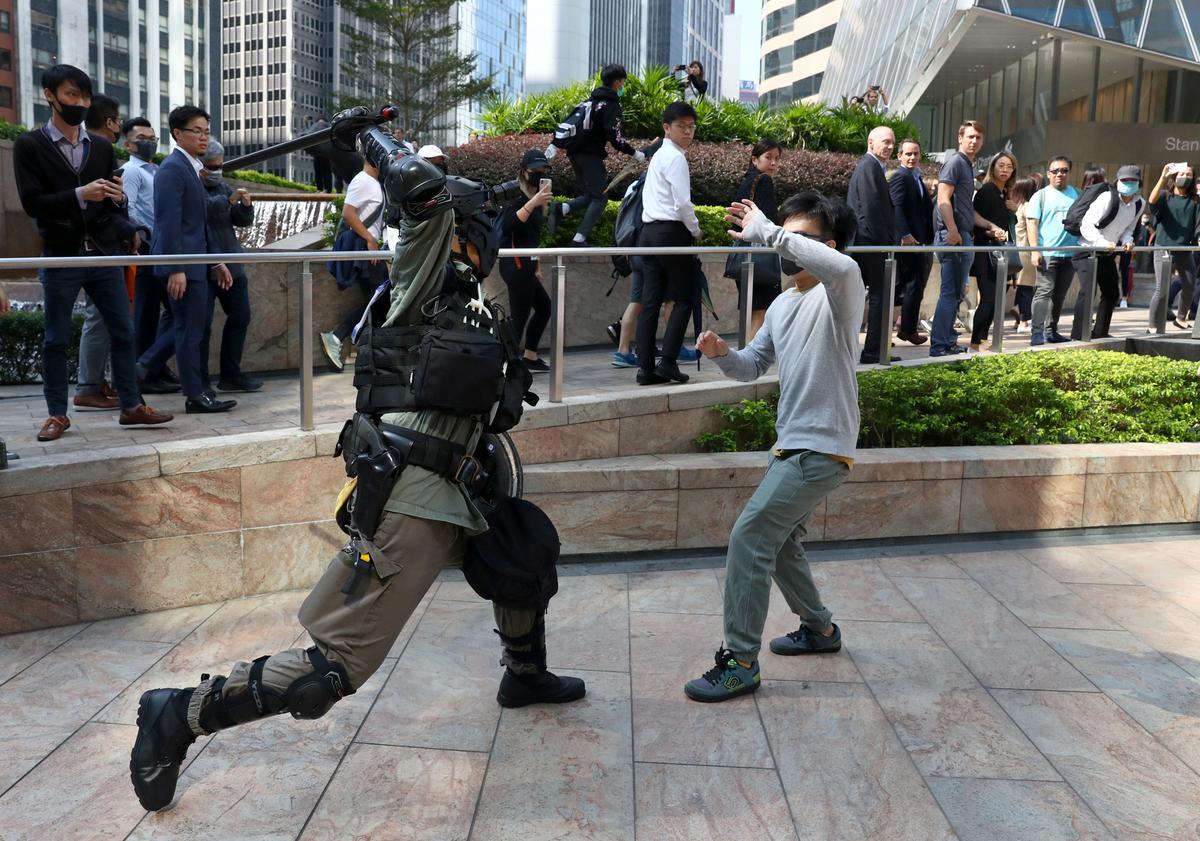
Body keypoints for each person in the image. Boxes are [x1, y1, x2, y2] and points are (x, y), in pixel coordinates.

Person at [129, 148, 585, 816]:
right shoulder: (424, 277)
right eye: (478, 222)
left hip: (464, 476)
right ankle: (179, 713)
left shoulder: (476, 303)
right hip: (415, 488)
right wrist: (384, 149)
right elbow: (420, 195)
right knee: (332, 671)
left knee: (521, 558)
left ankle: (523, 674)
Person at [683, 191, 861, 702]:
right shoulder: (783, 304)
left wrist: (768, 232)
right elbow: (751, 366)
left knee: (749, 537)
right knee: (779, 544)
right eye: (784, 235)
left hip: (822, 446)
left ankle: (740, 660)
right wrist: (721, 354)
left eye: (800, 239)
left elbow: (839, 267)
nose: (786, 247)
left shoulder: (842, 289)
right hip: (792, 444)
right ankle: (820, 630)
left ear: (827, 246)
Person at [13, 64, 173, 441]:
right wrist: (78, 195)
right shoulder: (29, 146)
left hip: (102, 255)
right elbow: (33, 204)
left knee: (123, 331)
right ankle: (56, 414)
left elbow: (113, 209)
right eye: (72, 95)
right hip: (61, 256)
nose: (80, 103)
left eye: (85, 97)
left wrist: (125, 213)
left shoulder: (101, 147)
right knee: (54, 338)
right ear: (49, 95)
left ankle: (131, 406)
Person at [138, 104, 237, 413]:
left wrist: (215, 262)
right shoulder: (172, 169)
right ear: (177, 133)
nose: (204, 138)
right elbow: (168, 223)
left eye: (207, 131)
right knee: (188, 332)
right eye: (197, 131)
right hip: (184, 266)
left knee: (192, 330)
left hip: (196, 263)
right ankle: (194, 395)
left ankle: (190, 389)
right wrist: (176, 269)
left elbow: (198, 226)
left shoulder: (191, 167)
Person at [635, 101, 700, 386]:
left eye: (691, 126)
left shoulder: (659, 156)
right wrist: (696, 230)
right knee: (685, 297)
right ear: (666, 128)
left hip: (648, 234)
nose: (687, 132)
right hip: (671, 233)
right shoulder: (675, 157)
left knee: (650, 302)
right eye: (681, 126)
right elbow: (683, 203)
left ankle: (645, 369)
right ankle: (669, 362)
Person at [545, 63, 645, 247]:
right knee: (600, 198)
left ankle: (561, 208)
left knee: (591, 195)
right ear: (617, 82)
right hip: (590, 155)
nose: (623, 86)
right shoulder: (610, 104)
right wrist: (634, 152)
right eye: (623, 82)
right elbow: (614, 135)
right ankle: (579, 239)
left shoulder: (589, 102)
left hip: (574, 153)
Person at [70, 93, 127, 411]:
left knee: (106, 319)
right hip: (88, 249)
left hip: (103, 248)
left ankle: (96, 382)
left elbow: (115, 205)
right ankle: (88, 385)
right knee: (98, 318)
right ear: (110, 122)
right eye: (119, 120)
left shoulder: (99, 152)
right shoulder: (89, 153)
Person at [931, 121, 1004, 357]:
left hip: (963, 235)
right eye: (970, 137)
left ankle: (948, 341)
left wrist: (990, 225)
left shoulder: (967, 165)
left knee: (956, 293)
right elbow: (943, 198)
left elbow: (967, 209)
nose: (974, 141)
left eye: (978, 138)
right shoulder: (955, 163)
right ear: (960, 137)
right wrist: (952, 229)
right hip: (953, 237)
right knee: (950, 292)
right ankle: (940, 345)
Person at [121, 116, 179, 395]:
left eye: (153, 138)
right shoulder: (130, 171)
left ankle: (154, 366)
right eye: (142, 139)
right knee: (146, 314)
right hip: (146, 248)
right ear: (128, 145)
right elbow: (128, 209)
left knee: (171, 310)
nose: (150, 143)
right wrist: (142, 240)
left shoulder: (155, 170)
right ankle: (144, 373)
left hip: (162, 247)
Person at [198, 139, 262, 393]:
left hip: (232, 264)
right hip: (204, 266)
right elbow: (199, 213)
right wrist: (227, 201)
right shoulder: (192, 186)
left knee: (241, 316)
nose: (217, 170)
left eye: (220, 165)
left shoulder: (222, 186)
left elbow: (240, 220)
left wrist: (245, 206)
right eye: (212, 166)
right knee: (201, 326)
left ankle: (231, 374)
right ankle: (201, 382)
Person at [320, 155, 387, 371]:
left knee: (378, 299)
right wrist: (370, 239)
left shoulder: (373, 182)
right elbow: (348, 213)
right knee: (380, 299)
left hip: (369, 248)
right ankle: (337, 336)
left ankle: (365, 349)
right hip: (365, 248)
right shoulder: (363, 180)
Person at [497, 149, 555, 373]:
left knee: (544, 308)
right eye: (536, 170)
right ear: (524, 171)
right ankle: (506, 363)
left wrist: (537, 265)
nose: (540, 174)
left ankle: (529, 356)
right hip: (515, 264)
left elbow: (532, 237)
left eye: (544, 170)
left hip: (527, 264)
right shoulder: (515, 195)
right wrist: (535, 202)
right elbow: (509, 224)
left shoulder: (535, 196)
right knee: (519, 317)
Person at [1070, 165, 1142, 340]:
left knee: (1111, 293)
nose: (1128, 184)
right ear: (1118, 181)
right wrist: (1101, 242)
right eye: (1125, 180)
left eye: (1133, 181)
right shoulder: (1106, 197)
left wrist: (1127, 242)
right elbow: (1086, 224)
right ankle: (1079, 335)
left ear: (1139, 183)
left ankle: (1100, 332)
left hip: (1106, 253)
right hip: (1087, 250)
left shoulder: (1139, 204)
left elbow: (1129, 229)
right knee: (1088, 291)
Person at [847, 126, 896, 363]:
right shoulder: (869, 166)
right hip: (870, 244)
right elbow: (870, 209)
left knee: (875, 296)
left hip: (870, 243)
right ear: (870, 142)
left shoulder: (874, 166)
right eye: (885, 142)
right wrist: (884, 243)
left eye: (892, 143)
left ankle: (874, 350)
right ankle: (872, 351)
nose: (889, 146)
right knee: (879, 296)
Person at [728, 139, 783, 341]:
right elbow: (768, 218)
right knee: (761, 311)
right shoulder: (764, 181)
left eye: (777, 158)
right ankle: (749, 359)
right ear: (754, 159)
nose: (774, 163)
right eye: (768, 157)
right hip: (759, 256)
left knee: (754, 310)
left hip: (745, 256)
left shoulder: (747, 181)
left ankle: (747, 355)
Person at [1027, 156, 1080, 345]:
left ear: (1069, 173)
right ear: (1048, 173)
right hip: (1048, 253)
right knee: (1044, 291)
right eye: (1055, 170)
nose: (1060, 174)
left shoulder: (1077, 194)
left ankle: (1051, 330)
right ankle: (1036, 332)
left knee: (1059, 295)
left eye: (1064, 170)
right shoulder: (1040, 195)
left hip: (1071, 253)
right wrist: (1035, 250)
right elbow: (1032, 224)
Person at [968, 151, 1016, 351]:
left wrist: (1013, 209)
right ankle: (975, 340)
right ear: (993, 168)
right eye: (1001, 165)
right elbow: (975, 222)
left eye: (1009, 166)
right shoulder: (987, 190)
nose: (1004, 170)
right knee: (988, 298)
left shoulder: (1004, 193)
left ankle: (983, 338)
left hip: (1000, 254)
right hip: (984, 252)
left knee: (996, 298)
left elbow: (1008, 225)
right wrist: (991, 233)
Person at [889, 138, 933, 345]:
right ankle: (905, 329)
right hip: (908, 242)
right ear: (899, 156)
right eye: (908, 154)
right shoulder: (901, 176)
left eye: (915, 153)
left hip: (919, 241)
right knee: (909, 286)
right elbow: (895, 206)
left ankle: (907, 328)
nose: (912, 157)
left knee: (914, 286)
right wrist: (904, 234)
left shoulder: (916, 177)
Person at [1147, 163, 1199, 331]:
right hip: (1163, 247)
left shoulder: (1195, 200)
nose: (1186, 177)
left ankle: (1181, 318)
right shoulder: (1165, 196)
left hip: (1184, 249)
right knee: (1161, 289)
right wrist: (1162, 177)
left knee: (1189, 285)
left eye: (1189, 175)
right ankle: (1152, 325)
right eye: (1183, 173)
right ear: (1174, 177)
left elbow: (1198, 224)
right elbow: (1151, 201)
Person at [1009, 173, 1044, 333]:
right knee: (1025, 287)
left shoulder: (1025, 206)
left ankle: (1022, 318)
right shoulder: (1027, 205)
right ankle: (1023, 318)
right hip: (1024, 251)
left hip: (1022, 250)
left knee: (1023, 287)